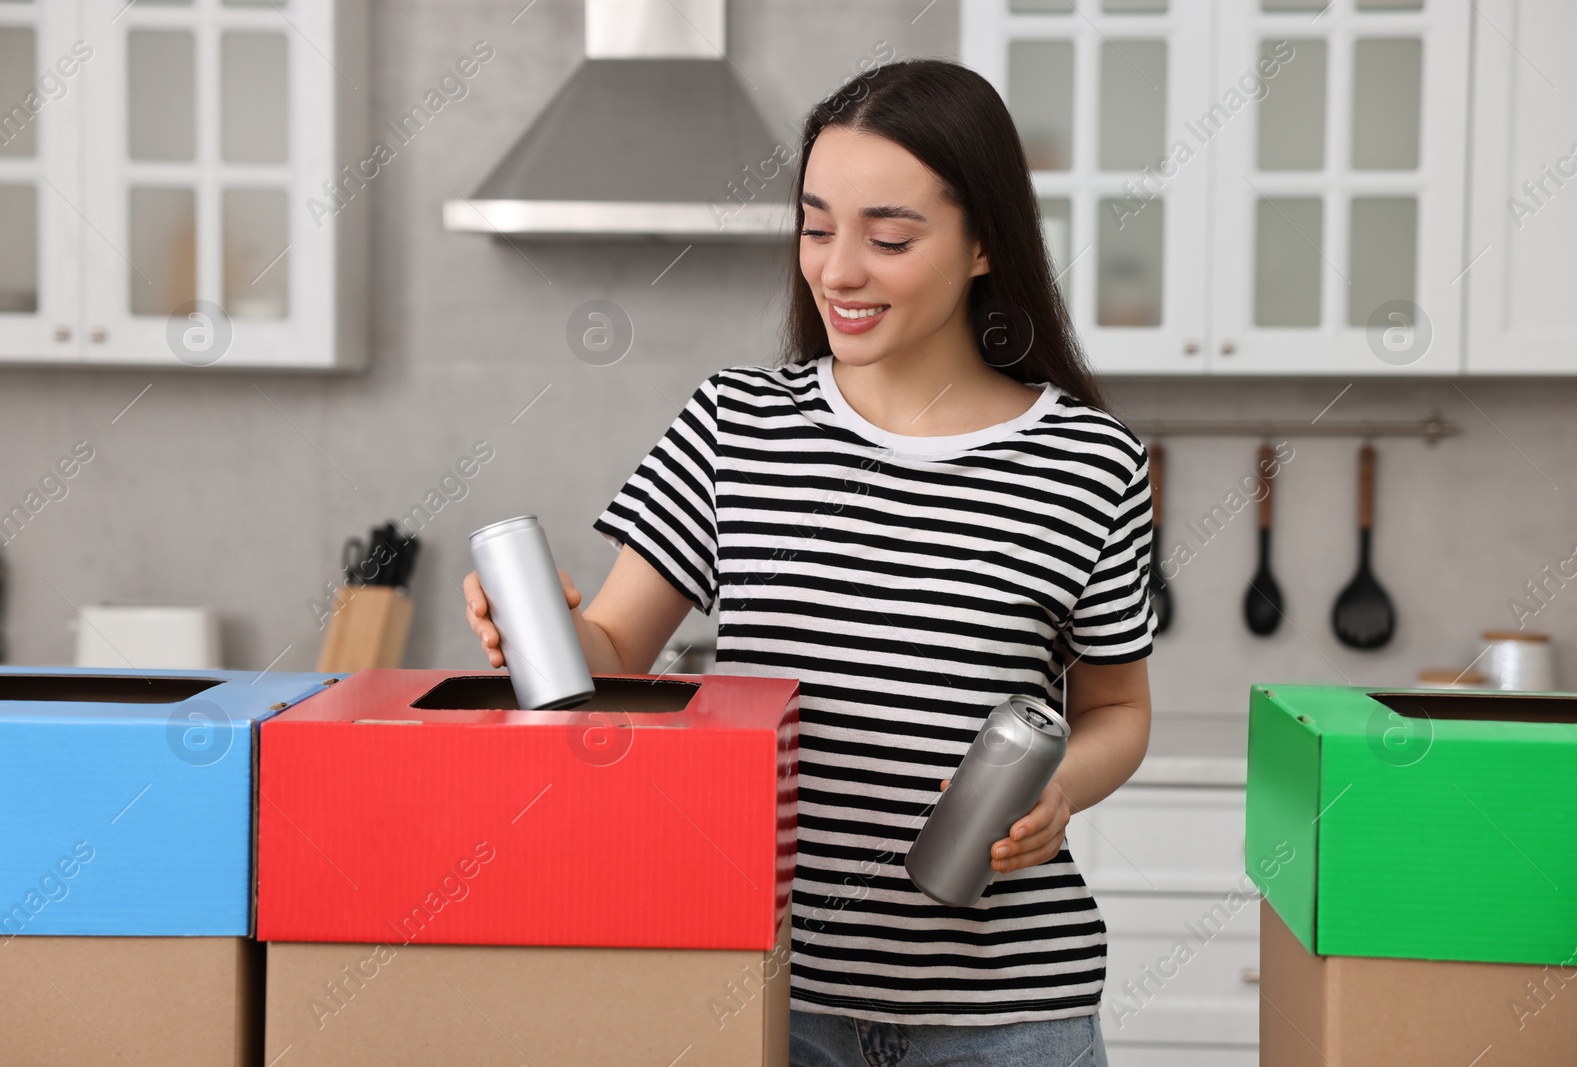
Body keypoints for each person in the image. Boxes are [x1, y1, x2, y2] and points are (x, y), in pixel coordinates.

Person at [464, 57, 1153, 1067]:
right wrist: (534, 625)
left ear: (980, 246)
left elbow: (1115, 710)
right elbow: (613, 647)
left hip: (1010, 1011)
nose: (836, 271)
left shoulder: (1088, 462)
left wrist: (1059, 793)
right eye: (816, 226)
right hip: (767, 990)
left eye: (887, 237)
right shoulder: (735, 425)